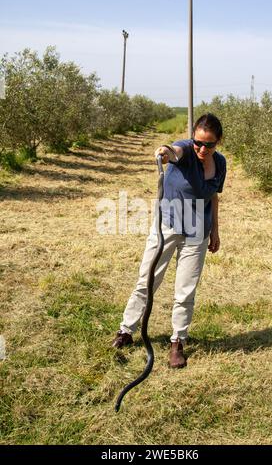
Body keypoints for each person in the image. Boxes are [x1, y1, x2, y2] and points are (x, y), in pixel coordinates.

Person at [112, 113, 227, 368]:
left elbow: (214, 197)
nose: (202, 149)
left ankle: (177, 341)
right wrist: (163, 152)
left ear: (218, 142)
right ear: (192, 137)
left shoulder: (219, 163)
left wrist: (215, 231)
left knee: (185, 289)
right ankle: (126, 331)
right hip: (168, 225)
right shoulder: (185, 149)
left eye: (209, 144)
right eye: (198, 142)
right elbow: (172, 151)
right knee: (148, 279)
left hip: (197, 231)